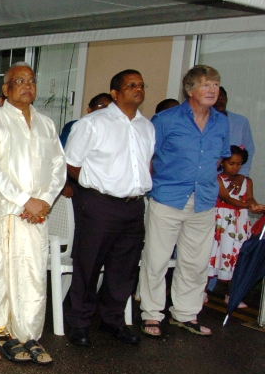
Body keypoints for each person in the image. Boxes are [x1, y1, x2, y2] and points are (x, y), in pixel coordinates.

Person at [0, 62, 65, 364]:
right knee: (0, 272)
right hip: (6, 211)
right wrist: (26, 201)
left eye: (32, 80)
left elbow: (58, 167)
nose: (27, 85)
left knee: (33, 274)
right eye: (20, 80)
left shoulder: (46, 124)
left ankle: (26, 334)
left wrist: (45, 200)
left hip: (37, 214)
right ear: (6, 88)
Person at [63, 70, 155, 347]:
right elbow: (70, 163)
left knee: (124, 269)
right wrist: (93, 187)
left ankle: (112, 320)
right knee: (88, 266)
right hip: (100, 205)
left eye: (141, 85)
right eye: (131, 85)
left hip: (133, 206)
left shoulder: (146, 127)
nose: (138, 89)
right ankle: (79, 322)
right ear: (115, 93)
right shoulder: (93, 123)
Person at [138, 65, 230, 337]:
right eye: (206, 85)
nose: (212, 90)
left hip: (203, 200)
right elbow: (147, 157)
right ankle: (152, 314)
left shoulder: (221, 122)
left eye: (215, 84)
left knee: (195, 262)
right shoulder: (165, 119)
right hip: (167, 198)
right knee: (156, 259)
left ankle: (186, 314)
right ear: (190, 90)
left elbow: (221, 157)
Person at [207, 146, 263, 308]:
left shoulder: (247, 181)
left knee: (236, 257)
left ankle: (231, 294)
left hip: (238, 225)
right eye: (231, 163)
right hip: (222, 224)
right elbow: (227, 199)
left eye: (239, 164)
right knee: (213, 253)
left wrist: (254, 205)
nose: (235, 167)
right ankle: (201, 290)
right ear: (222, 162)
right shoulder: (217, 179)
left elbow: (250, 198)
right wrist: (247, 205)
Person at [214, 87, 254, 177]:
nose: (219, 100)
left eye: (221, 96)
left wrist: (241, 174)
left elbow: (249, 149)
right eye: (215, 97)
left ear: (226, 99)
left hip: (235, 177)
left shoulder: (241, 122)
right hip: (209, 178)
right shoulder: (202, 122)